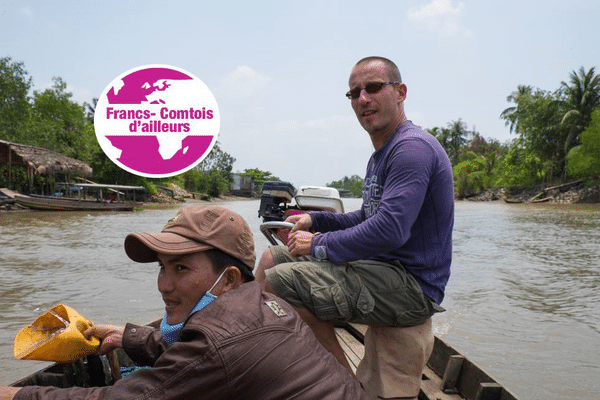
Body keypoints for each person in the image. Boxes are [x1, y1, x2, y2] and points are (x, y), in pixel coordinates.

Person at [2, 205, 369, 400]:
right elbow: (203, 353)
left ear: (228, 280)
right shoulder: (264, 304)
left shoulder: (218, 345)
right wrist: (125, 337)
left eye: (180, 267)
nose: (164, 285)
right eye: (162, 268)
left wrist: (15, 395)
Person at [255, 56, 454, 399]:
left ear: (400, 92)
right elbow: (367, 217)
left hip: (412, 285)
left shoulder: (411, 150)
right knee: (272, 259)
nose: (363, 98)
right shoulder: (381, 155)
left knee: (279, 283)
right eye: (354, 93)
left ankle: (343, 388)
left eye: (374, 88)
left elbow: (390, 230)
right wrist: (316, 220)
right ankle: (274, 358)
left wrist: (317, 243)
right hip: (383, 270)